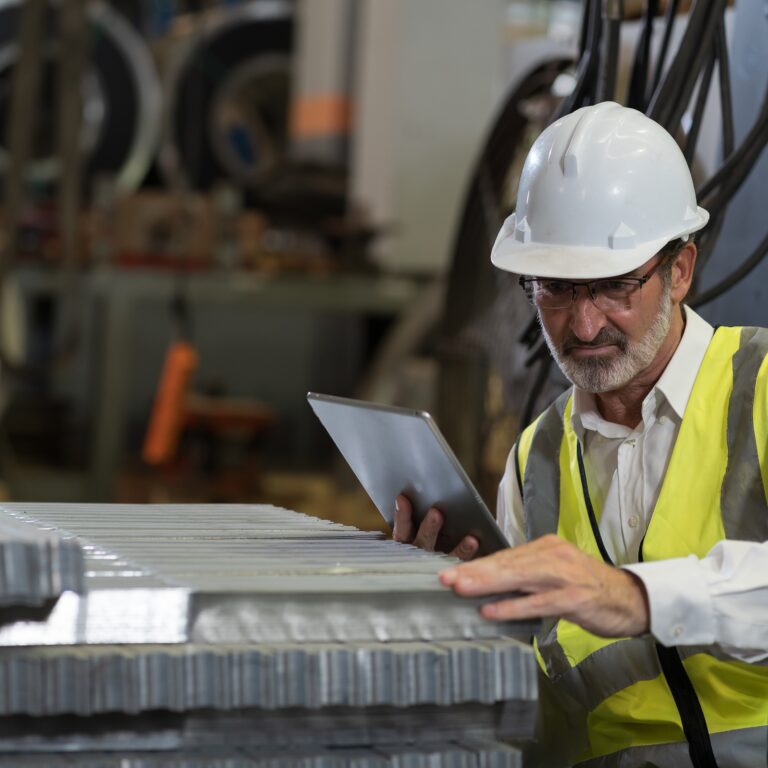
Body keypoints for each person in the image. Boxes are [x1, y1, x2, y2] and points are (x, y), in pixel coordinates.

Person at [393, 102, 768, 767]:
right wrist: (456, 608)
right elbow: (536, 698)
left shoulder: (760, 385)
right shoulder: (535, 460)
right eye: (557, 290)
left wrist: (637, 597)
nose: (585, 325)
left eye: (615, 287)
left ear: (681, 270)